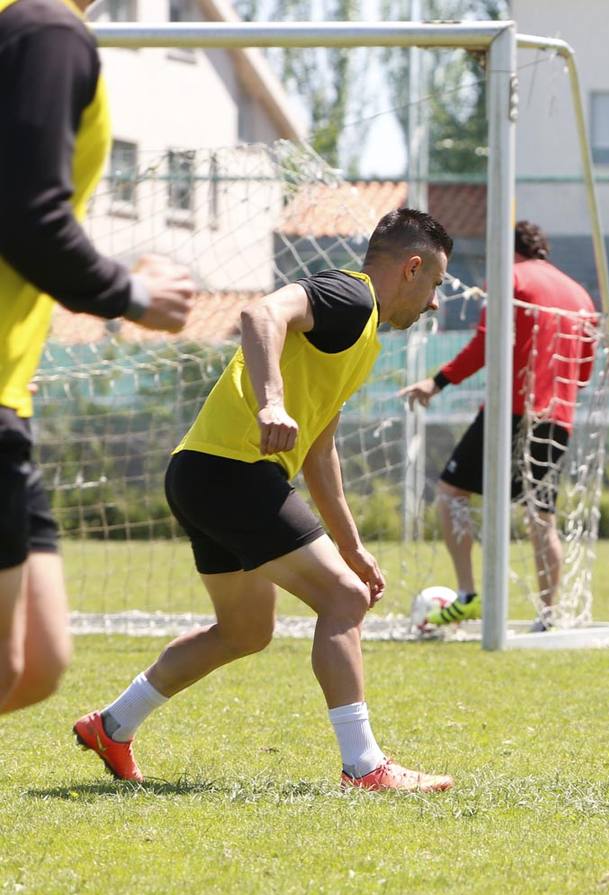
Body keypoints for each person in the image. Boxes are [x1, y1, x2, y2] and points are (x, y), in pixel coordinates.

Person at [74, 208, 454, 792]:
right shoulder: (350, 298)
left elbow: (319, 449)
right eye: (434, 285)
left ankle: (113, 725)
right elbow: (260, 312)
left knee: (244, 631)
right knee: (344, 601)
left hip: (203, 473)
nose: (432, 304)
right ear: (411, 268)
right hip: (234, 472)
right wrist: (270, 402)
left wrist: (352, 545)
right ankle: (366, 768)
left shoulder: (360, 335)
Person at [0, 0, 195, 717]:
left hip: (11, 396)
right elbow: (28, 212)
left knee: (38, 660)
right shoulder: (46, 28)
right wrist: (129, 292)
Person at [401, 220, 597, 633]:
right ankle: (547, 616)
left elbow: (485, 345)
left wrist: (436, 382)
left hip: (510, 412)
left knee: (451, 492)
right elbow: (582, 372)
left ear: (508, 250)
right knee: (541, 516)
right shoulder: (580, 295)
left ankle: (469, 595)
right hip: (558, 417)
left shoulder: (510, 279)